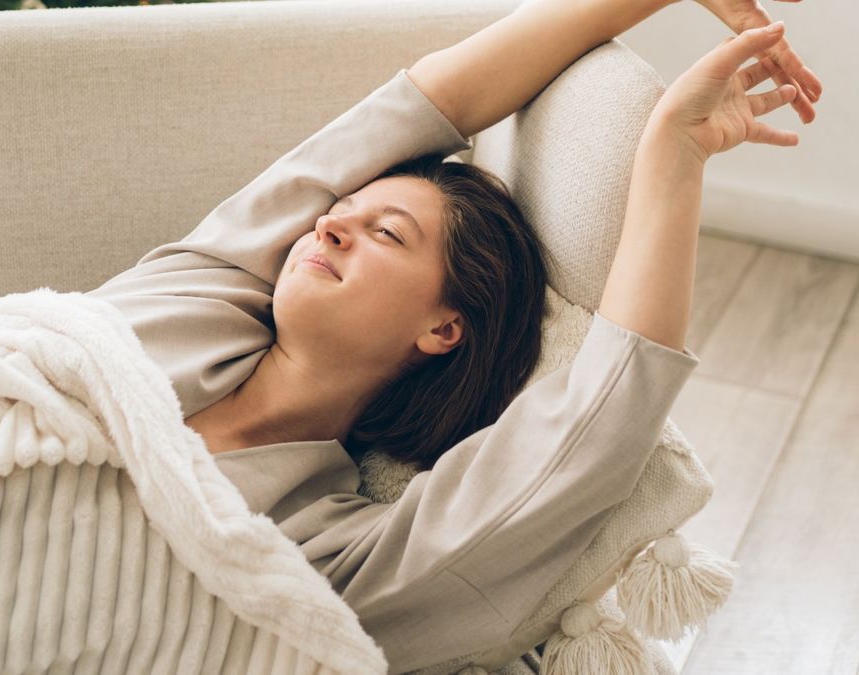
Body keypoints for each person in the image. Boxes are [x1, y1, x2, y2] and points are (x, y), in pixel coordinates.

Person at [87, 0, 821, 670]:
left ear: (444, 327)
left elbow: (597, 426)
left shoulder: (323, 552)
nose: (329, 222)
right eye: (341, 207)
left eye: (386, 231)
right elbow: (419, 106)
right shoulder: (197, 295)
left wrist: (674, 153)